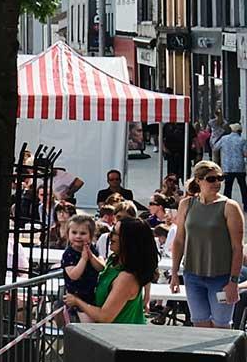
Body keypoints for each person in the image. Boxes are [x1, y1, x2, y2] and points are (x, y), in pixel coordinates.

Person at [169, 160, 245, 328]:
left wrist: (233, 281)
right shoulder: (186, 204)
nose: (217, 183)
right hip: (192, 275)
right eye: (211, 179)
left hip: (222, 277)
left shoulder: (229, 206)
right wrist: (174, 273)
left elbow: (237, 247)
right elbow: (179, 240)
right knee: (200, 325)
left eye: (220, 178)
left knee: (221, 327)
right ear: (198, 180)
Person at [68, 216, 157, 324]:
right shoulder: (113, 260)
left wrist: (76, 301)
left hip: (121, 336)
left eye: (114, 233)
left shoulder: (127, 278)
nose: (110, 236)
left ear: (128, 240)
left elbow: (104, 317)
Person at [59, 213, 104, 323]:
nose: (78, 236)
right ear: (68, 234)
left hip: (93, 293)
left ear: (91, 235)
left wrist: (91, 256)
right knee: (88, 326)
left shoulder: (91, 248)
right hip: (77, 296)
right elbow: (73, 275)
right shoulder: (69, 253)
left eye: (83, 233)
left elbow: (101, 267)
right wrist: (83, 259)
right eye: (74, 232)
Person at [218, 124, 247, 205]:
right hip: (239, 167)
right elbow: (245, 153)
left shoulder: (224, 139)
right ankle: (246, 205)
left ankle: (226, 204)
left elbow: (215, 147)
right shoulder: (242, 140)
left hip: (227, 167)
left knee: (228, 187)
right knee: (243, 186)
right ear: (239, 131)